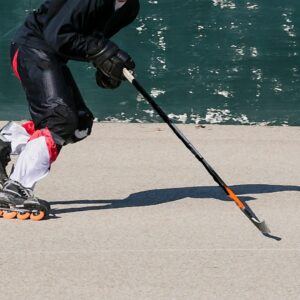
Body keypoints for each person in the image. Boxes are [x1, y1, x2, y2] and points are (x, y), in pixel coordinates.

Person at [0, 0, 139, 214]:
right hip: (31, 47)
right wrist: (101, 50)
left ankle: (4, 143)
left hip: (53, 56)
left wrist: (107, 64)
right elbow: (59, 35)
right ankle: (16, 188)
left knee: (78, 124)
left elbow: (90, 39)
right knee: (60, 119)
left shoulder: (129, 8)